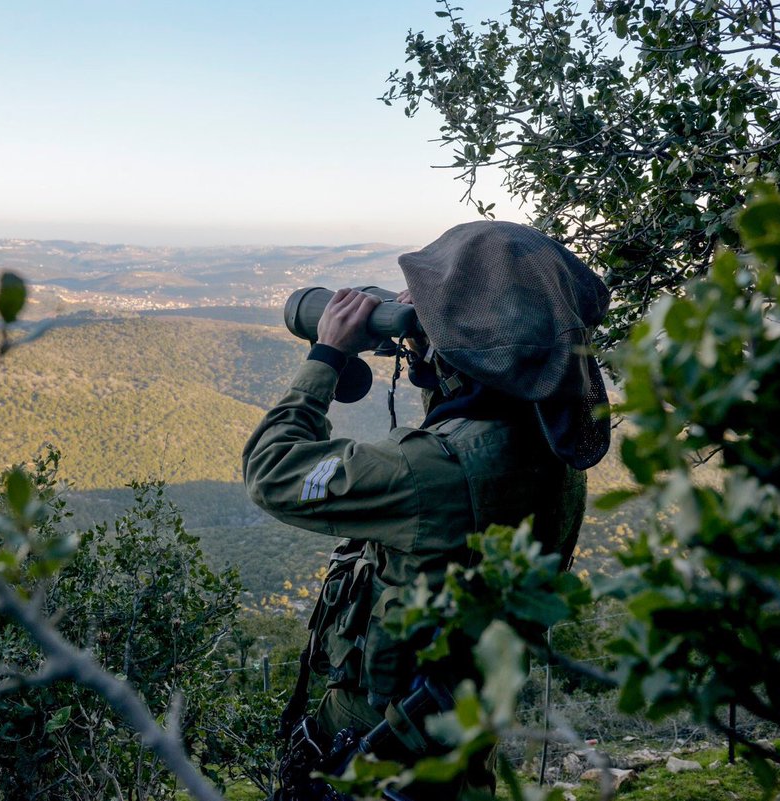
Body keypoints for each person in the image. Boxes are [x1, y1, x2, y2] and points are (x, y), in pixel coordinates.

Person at [243, 221, 610, 799]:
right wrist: (429, 350)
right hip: (452, 754)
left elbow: (272, 472)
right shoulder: (550, 444)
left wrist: (329, 354)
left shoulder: (432, 471)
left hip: (372, 757)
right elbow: (471, 412)